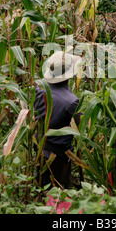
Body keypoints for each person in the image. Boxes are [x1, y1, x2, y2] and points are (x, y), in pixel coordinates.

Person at [34, 50, 83, 189]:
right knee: (59, 191)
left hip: (40, 148)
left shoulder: (39, 88)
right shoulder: (71, 101)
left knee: (42, 187)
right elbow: (83, 126)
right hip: (60, 155)